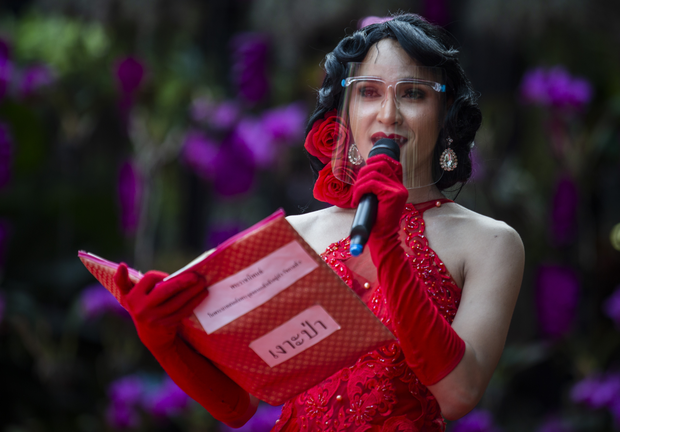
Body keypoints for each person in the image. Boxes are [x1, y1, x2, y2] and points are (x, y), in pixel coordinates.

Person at [113, 13, 524, 431]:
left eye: (413, 93)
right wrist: (162, 340)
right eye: (367, 92)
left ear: (446, 113)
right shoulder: (295, 234)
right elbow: (239, 403)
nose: (388, 114)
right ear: (343, 114)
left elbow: (459, 394)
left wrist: (388, 246)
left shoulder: (490, 242)